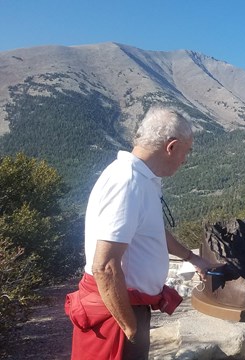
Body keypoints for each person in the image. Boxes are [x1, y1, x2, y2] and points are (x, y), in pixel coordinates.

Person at [65, 106, 218, 359]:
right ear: (171, 146)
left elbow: (154, 231)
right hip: (116, 312)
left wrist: (192, 258)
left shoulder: (143, 179)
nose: (185, 159)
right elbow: (104, 265)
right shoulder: (127, 182)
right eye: (186, 151)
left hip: (126, 307)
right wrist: (131, 328)